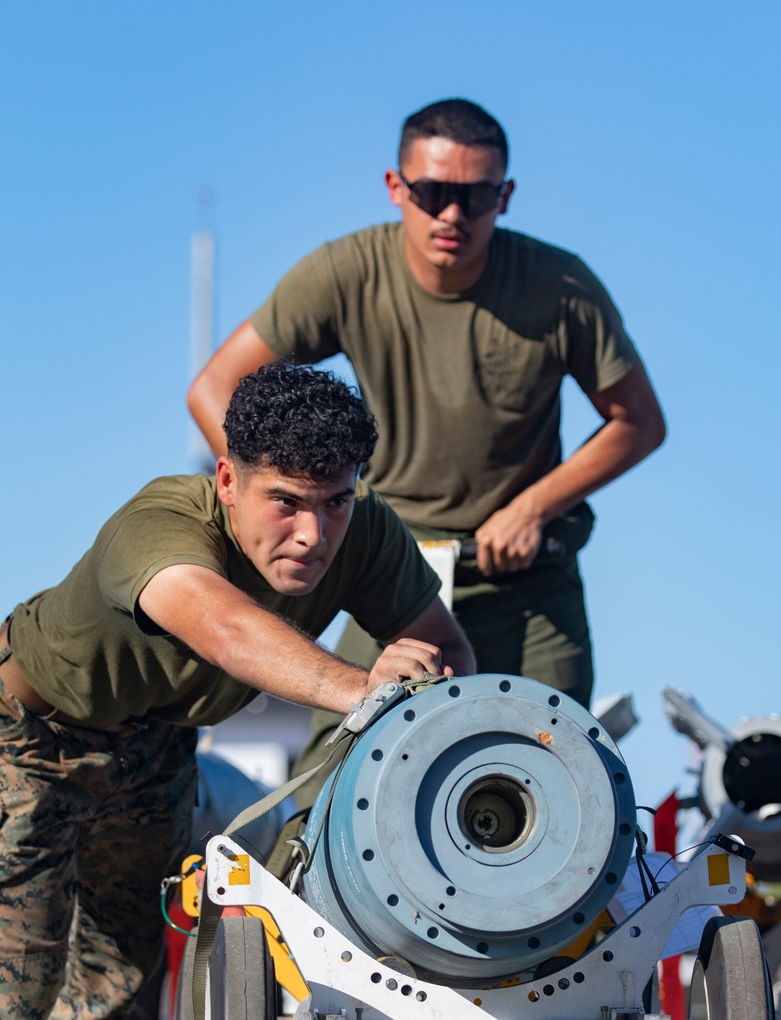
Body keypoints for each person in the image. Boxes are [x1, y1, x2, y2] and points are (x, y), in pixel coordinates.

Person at [0, 364, 473, 1020]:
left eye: (334, 502)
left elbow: (447, 645)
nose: (312, 534)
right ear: (227, 480)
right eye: (285, 502)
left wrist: (430, 677)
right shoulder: (159, 524)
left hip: (154, 741)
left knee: (123, 940)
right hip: (31, 730)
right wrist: (364, 687)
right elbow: (226, 629)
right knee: (3, 998)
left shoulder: (363, 533)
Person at [188, 97, 666, 807]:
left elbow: (640, 422)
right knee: (335, 785)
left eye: (474, 197)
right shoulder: (345, 272)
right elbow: (214, 387)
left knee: (561, 780)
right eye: (433, 194)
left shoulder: (559, 288)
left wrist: (534, 506)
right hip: (394, 577)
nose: (452, 216)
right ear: (396, 188)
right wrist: (292, 506)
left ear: (504, 196)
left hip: (529, 583)